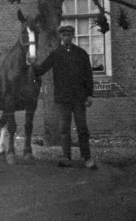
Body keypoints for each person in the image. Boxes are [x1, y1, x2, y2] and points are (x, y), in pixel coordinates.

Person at [36, 24, 97, 169]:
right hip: (63, 98)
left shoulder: (81, 54)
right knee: (64, 129)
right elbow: (42, 69)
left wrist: (89, 95)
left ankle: (87, 158)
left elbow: (88, 75)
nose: (66, 38)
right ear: (60, 37)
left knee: (82, 128)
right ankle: (66, 157)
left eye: (69, 35)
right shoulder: (56, 54)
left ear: (73, 36)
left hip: (79, 98)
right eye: (64, 35)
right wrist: (31, 66)